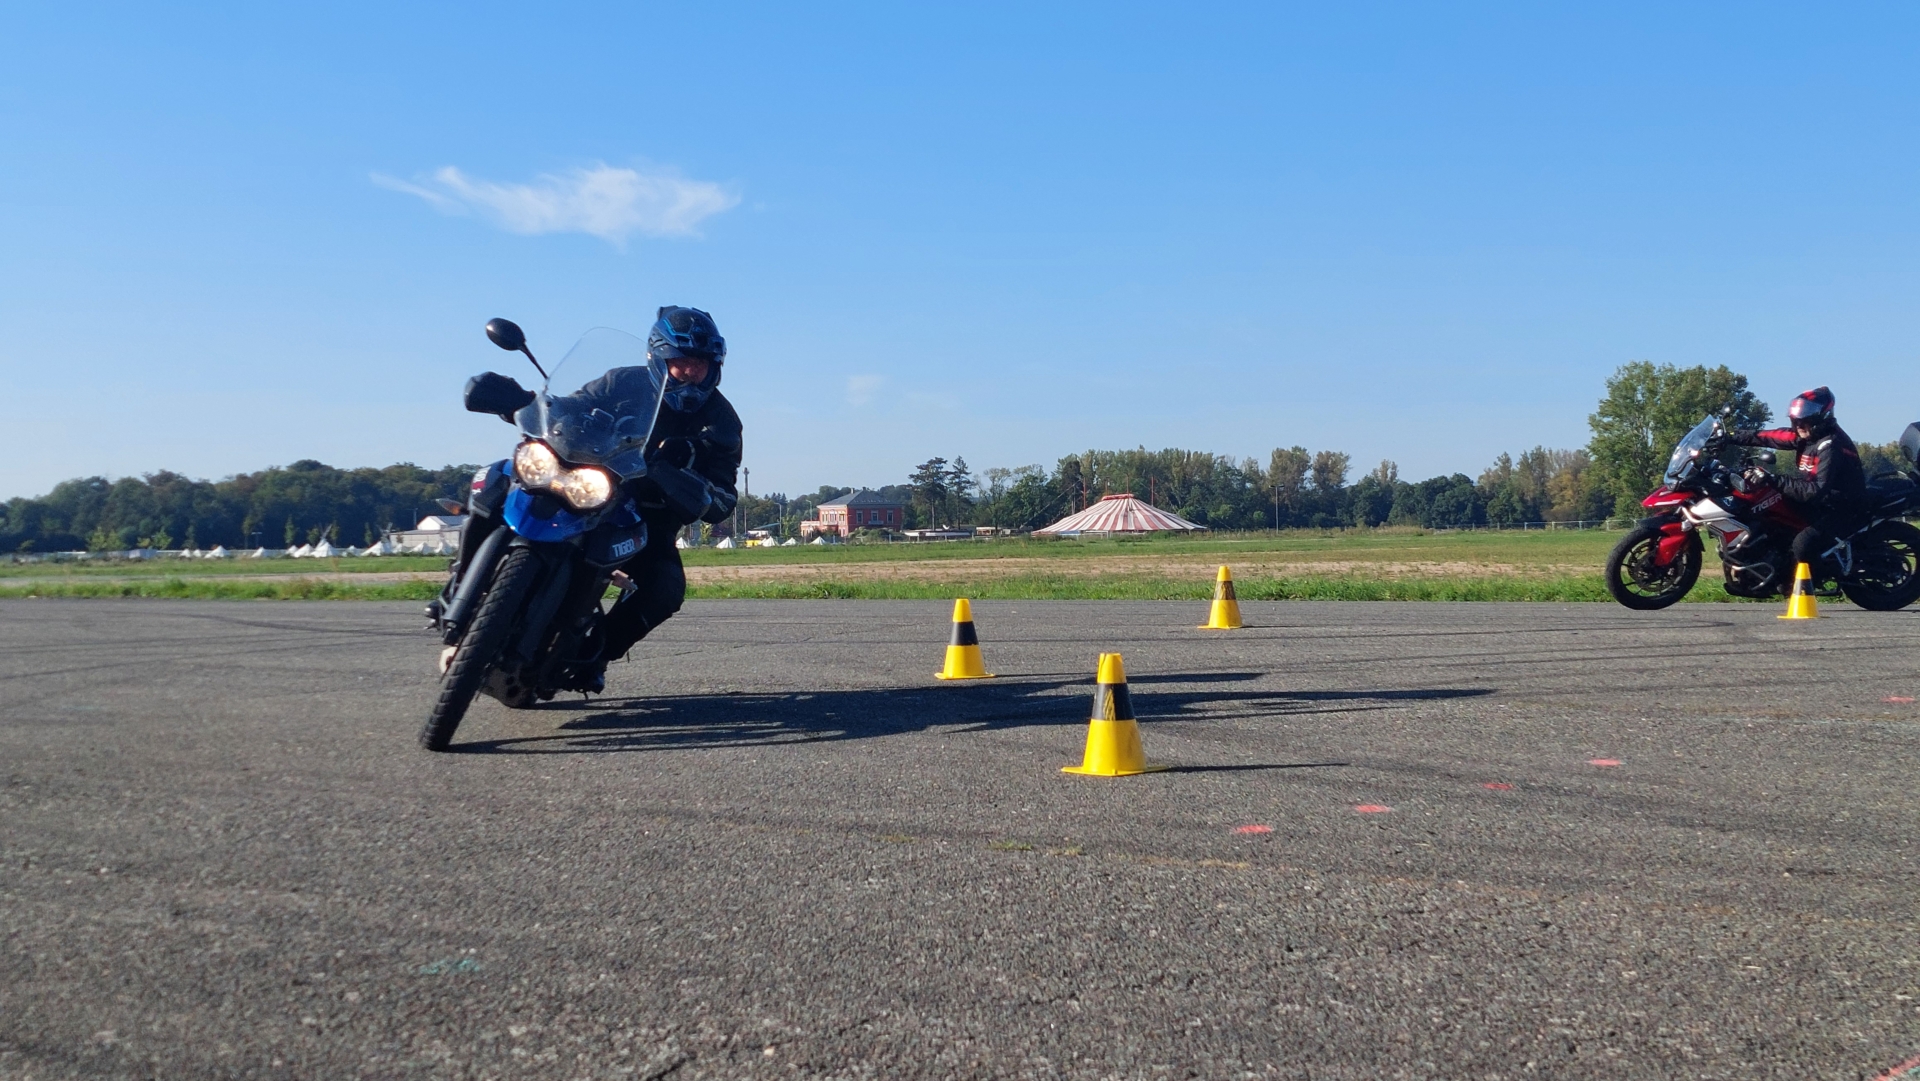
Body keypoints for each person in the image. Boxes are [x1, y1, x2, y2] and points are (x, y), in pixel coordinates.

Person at [562, 306, 741, 690]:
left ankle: (594, 654)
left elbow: (725, 497)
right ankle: (464, 587)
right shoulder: (620, 383)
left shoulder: (722, 421)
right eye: (681, 363)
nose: (690, 372)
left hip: (648, 521)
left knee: (665, 588)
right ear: (659, 359)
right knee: (500, 481)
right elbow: (568, 407)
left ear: (714, 367)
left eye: (699, 364)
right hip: (584, 492)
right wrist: (528, 402)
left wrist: (695, 489)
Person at [1729, 386, 1865, 579]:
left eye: (1805, 420)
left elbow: (1814, 490)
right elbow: (1767, 437)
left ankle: (1816, 579)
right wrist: (1729, 437)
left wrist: (1772, 478)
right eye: (1796, 420)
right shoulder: (1806, 436)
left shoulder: (1830, 444)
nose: (1799, 425)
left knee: (1802, 546)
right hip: (1819, 503)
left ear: (1821, 417)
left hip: (1841, 507)